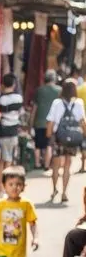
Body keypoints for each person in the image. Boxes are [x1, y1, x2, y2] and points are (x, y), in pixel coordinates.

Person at [47, 77, 86, 205]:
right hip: (72, 138)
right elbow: (82, 122)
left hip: (59, 137)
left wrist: (49, 134)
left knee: (56, 166)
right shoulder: (79, 103)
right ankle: (64, 193)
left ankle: (54, 190)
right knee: (67, 166)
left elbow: (51, 121)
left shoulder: (57, 103)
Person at [0, 72, 24, 192]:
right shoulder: (19, 98)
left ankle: (0, 188)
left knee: (0, 161)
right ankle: (8, 187)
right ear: (14, 84)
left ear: (2, 84)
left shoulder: (0, 100)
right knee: (9, 160)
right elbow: (20, 113)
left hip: (2, 132)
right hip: (13, 131)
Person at [30, 70, 60, 171]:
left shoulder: (39, 90)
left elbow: (34, 107)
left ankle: (37, 163)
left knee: (38, 144)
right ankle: (47, 165)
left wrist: (31, 122)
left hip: (39, 121)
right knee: (49, 144)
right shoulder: (59, 90)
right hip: (52, 122)